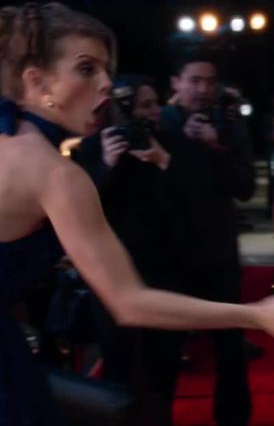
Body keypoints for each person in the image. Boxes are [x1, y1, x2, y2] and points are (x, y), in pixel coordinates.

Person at [0, 2, 274, 425]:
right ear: (36, 81)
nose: (106, 84)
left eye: (106, 69)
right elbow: (129, 302)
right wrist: (257, 314)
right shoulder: (55, 174)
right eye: (86, 69)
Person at [72, 75, 187, 425]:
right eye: (145, 106)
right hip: (111, 272)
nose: (155, 112)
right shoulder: (92, 148)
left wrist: (164, 161)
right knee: (119, 360)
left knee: (164, 359)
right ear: (122, 111)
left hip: (164, 268)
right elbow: (79, 209)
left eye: (156, 104)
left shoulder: (171, 145)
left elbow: (193, 205)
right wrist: (106, 165)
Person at [159, 52, 258, 426]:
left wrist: (217, 148)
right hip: (170, 253)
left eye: (210, 81)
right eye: (195, 80)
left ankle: (233, 418)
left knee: (230, 345)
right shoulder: (160, 122)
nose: (203, 89)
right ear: (176, 82)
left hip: (218, 250)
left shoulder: (230, 126)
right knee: (165, 348)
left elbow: (245, 188)